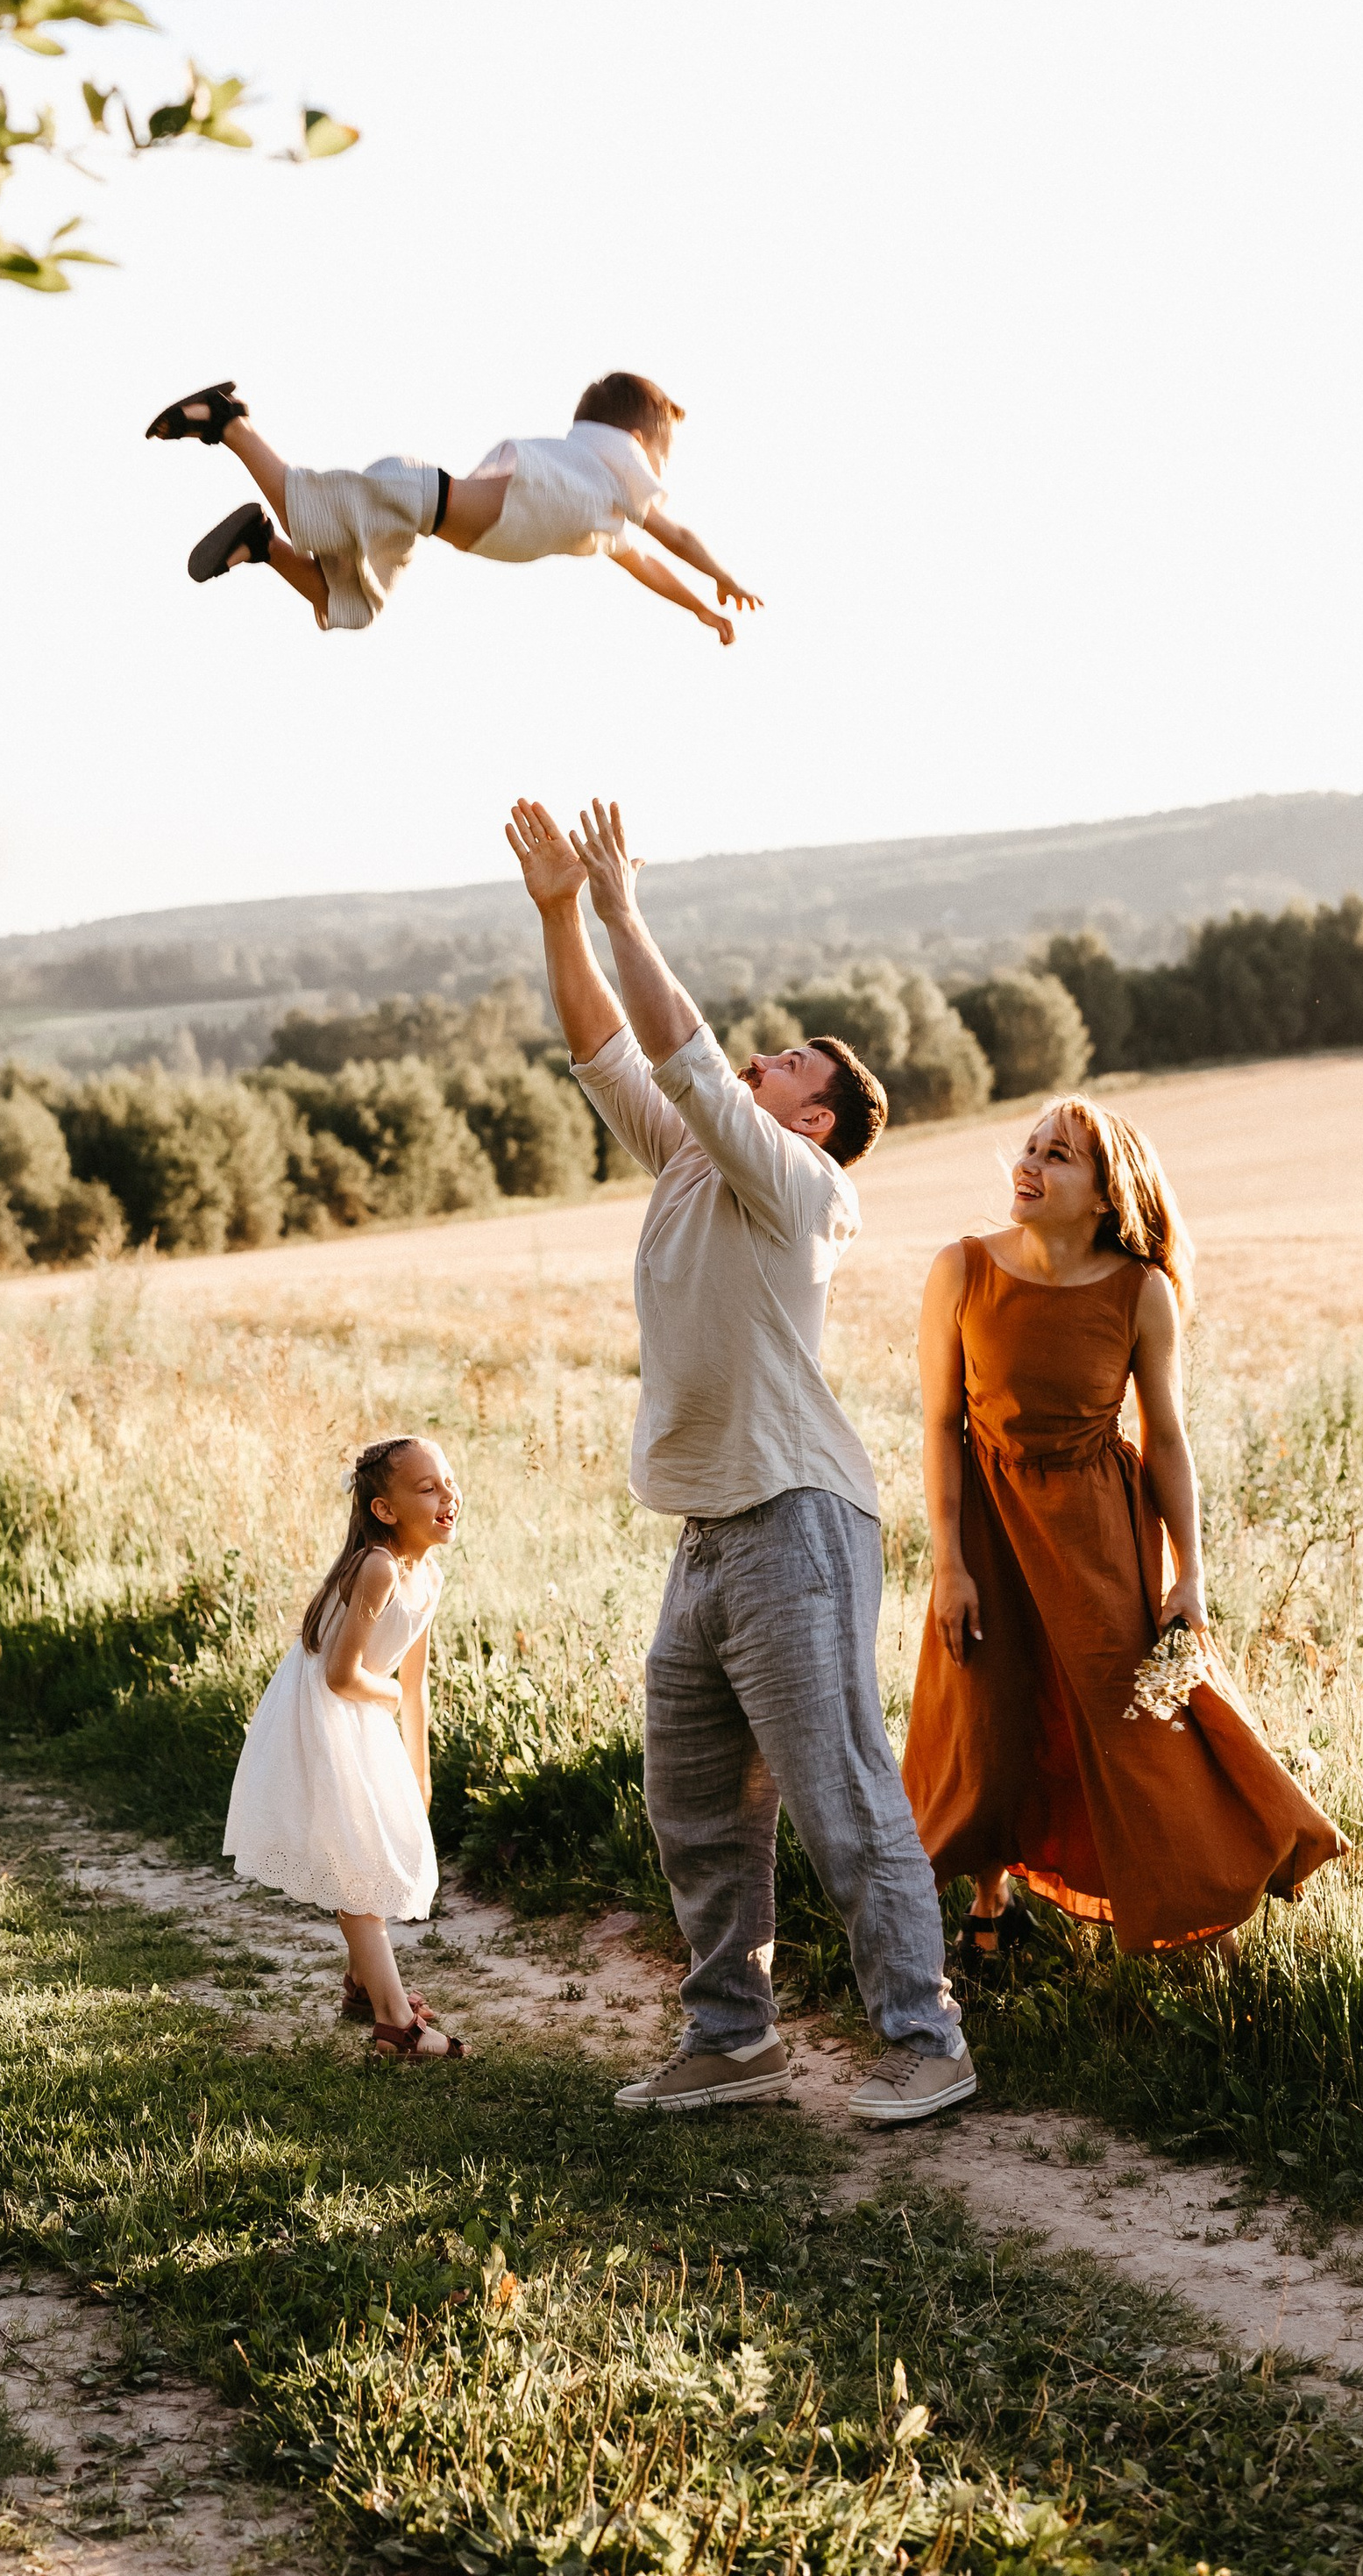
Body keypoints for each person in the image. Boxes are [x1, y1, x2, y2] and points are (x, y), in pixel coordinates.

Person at [506, 793, 975, 2125]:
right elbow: (608, 1048)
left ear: (813, 1120)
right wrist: (559, 914)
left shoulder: (804, 1188)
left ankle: (925, 2036)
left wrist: (624, 905)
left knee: (837, 1793)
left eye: (784, 1066)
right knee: (697, 1807)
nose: (755, 1065)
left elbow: (686, 1055)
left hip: (798, 1524)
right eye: (764, 1059)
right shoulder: (692, 1164)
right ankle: (732, 2040)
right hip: (708, 1533)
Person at [901, 1099, 1342, 1968]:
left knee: (1132, 1725)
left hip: (1099, 1533)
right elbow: (938, 1425)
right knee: (987, 1721)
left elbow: (1166, 1439)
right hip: (990, 1527)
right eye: (1027, 1149)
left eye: (1056, 1155)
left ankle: (1195, 1903)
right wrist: (948, 1564)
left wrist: (1189, 1573)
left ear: (1105, 1195)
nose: (1028, 1166)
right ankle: (984, 1919)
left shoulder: (1141, 1291)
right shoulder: (961, 1268)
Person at [146, 369, 760, 643]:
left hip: (419, 517)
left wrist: (700, 610)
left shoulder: (600, 507)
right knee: (307, 509)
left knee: (351, 605)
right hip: (419, 494)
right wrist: (722, 575)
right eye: (663, 452)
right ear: (636, 436)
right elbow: (672, 536)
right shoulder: (614, 455)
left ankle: (259, 545)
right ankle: (229, 421)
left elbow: (649, 565)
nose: (658, 471)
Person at [223, 1431, 472, 2060]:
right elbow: (341, 1674)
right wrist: (385, 1701)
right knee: (354, 1860)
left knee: (369, 1845)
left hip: (362, 1717)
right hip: (325, 1713)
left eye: (448, 1481)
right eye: (427, 1488)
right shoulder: (378, 1566)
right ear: (384, 1511)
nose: (448, 1495)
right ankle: (397, 2026)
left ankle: (366, 1984)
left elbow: (415, 1687)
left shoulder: (428, 1575)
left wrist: (420, 1768)